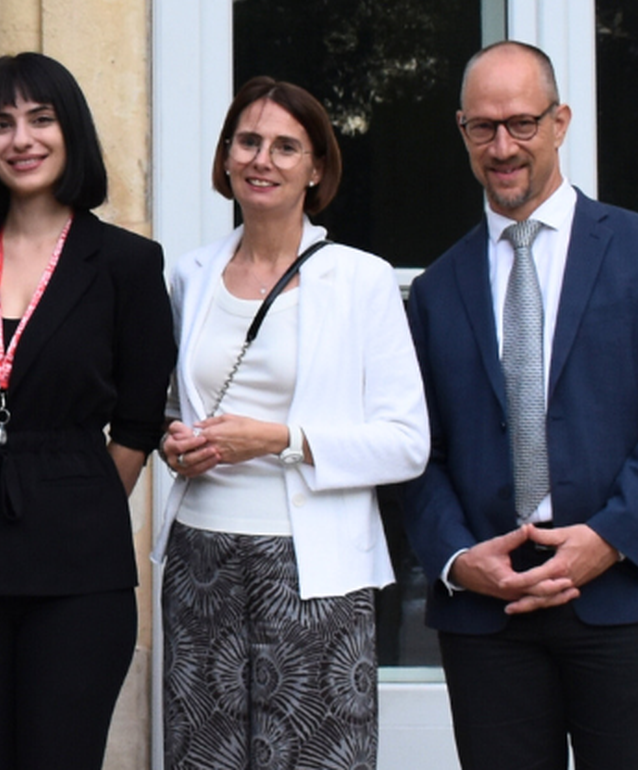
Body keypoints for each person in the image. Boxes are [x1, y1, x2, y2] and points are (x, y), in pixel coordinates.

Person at [404, 41, 638, 770]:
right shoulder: (438, 288)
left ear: (561, 121)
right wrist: (458, 559)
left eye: (522, 123)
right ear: (463, 131)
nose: (503, 146)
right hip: (488, 610)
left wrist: (606, 537)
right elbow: (415, 448)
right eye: (483, 127)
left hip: (626, 594)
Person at [0, 53, 175, 769]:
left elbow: (141, 421)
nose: (21, 138)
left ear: (70, 131)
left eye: (40, 118)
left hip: (80, 569)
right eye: (1, 123)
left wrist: (73, 496)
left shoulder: (127, 263)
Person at [155, 77, 429, 769]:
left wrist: (282, 439)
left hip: (315, 567)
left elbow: (408, 441)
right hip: (200, 559)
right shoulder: (191, 275)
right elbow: (167, 408)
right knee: (203, 755)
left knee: (316, 754)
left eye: (285, 146)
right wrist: (174, 442)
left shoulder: (359, 279)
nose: (262, 159)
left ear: (316, 168)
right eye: (248, 141)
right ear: (224, 159)